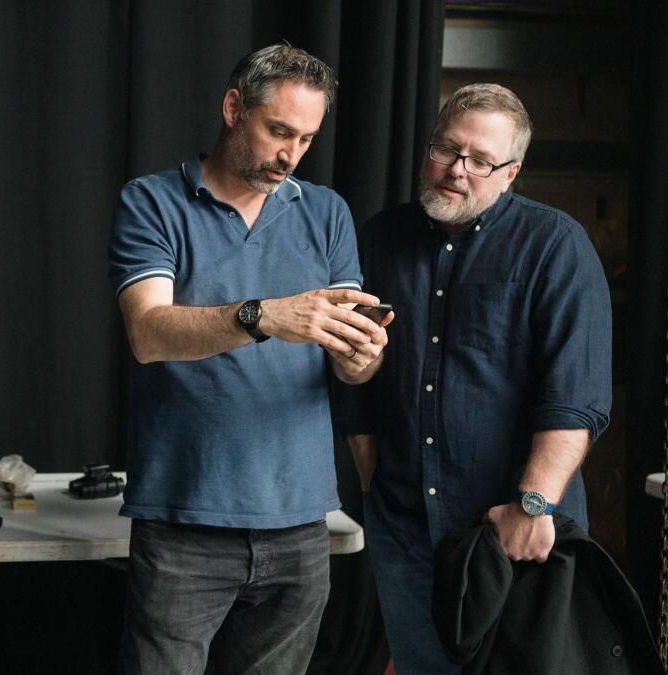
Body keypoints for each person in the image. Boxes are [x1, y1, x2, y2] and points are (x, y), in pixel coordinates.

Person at [108, 44, 391, 674]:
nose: (290, 156)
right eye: (279, 131)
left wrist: (361, 356)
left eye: (307, 139)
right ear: (235, 108)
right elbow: (149, 333)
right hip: (184, 520)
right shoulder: (152, 202)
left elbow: (350, 367)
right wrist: (265, 315)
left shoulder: (326, 213)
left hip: (300, 522)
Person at [336, 83, 612, 674]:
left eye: (480, 160)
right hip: (404, 525)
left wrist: (531, 505)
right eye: (445, 149)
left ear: (510, 174)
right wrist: (372, 476)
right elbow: (348, 370)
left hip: (512, 532)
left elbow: (577, 398)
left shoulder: (554, 246)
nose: (457, 170)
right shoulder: (380, 238)